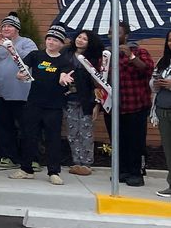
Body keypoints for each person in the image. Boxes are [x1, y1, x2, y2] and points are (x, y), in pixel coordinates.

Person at [10, 26, 77, 185]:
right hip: (33, 104)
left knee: (53, 139)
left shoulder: (64, 60)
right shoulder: (36, 55)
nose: (51, 42)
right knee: (28, 136)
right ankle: (26, 169)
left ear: (61, 43)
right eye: (49, 39)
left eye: (55, 40)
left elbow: (63, 75)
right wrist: (21, 74)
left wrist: (63, 80)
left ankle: (53, 171)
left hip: (53, 107)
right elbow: (23, 69)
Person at [0, 12, 37, 169]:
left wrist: (12, 48)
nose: (6, 28)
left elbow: (33, 59)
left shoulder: (26, 42)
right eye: (3, 26)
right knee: (4, 126)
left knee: (26, 127)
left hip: (22, 94)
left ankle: (31, 158)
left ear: (17, 29)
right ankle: (8, 156)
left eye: (9, 26)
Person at [106, 20, 152, 186]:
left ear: (126, 35)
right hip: (115, 108)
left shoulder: (139, 51)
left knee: (136, 142)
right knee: (119, 141)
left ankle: (136, 173)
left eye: (117, 33)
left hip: (136, 106)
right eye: (111, 33)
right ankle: (122, 170)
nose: (113, 36)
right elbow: (101, 79)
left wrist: (131, 56)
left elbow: (148, 70)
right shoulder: (107, 55)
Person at [67, 29, 104, 177]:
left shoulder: (94, 60)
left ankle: (86, 163)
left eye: (85, 39)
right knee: (72, 132)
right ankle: (76, 162)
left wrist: (97, 103)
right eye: (79, 37)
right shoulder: (66, 54)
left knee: (86, 132)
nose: (80, 40)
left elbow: (98, 84)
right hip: (68, 99)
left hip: (86, 101)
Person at [150, 30, 171, 198]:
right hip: (163, 110)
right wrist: (155, 83)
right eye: (170, 40)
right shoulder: (163, 61)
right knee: (169, 150)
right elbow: (152, 83)